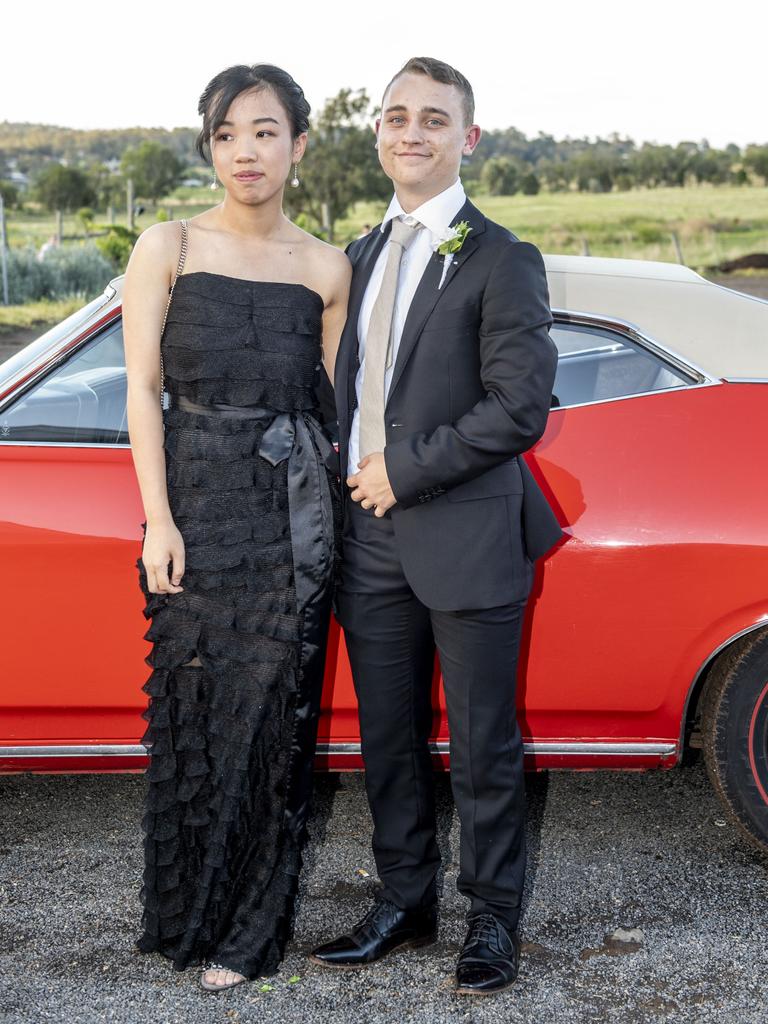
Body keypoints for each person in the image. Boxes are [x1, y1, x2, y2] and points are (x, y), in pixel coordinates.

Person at [310, 57, 562, 995]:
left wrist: (400, 469)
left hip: (465, 532)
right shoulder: (360, 254)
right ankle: (403, 902)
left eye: (434, 119)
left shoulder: (501, 257)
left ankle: (491, 919)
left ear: (469, 137)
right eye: (396, 116)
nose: (411, 132)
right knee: (388, 736)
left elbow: (519, 407)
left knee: (485, 742)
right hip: (366, 538)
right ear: (377, 132)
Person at [123, 63, 350, 992]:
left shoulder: (327, 265)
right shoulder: (166, 244)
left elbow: (340, 412)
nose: (245, 151)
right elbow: (141, 391)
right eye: (225, 133)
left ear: (299, 142)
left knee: (272, 726)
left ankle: (251, 932)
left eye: (264, 130)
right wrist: (158, 521)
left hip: (288, 523)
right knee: (195, 721)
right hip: (195, 511)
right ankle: (188, 914)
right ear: (209, 145)